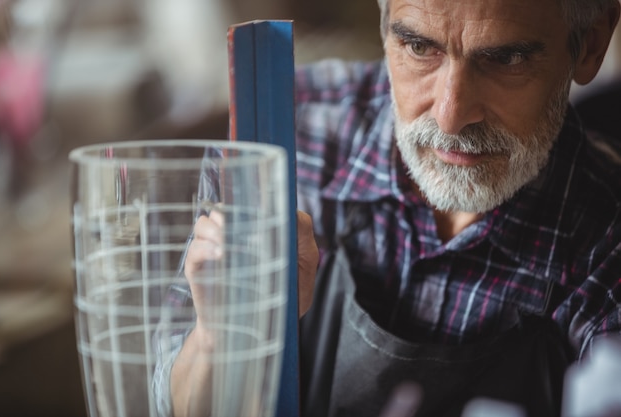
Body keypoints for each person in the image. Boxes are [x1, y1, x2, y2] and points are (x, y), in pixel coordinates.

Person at [154, 0, 621, 416]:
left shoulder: (607, 238)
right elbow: (173, 404)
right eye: (420, 47)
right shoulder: (282, 135)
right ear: (384, 26)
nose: (450, 114)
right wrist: (222, 338)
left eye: (506, 58)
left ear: (591, 45)